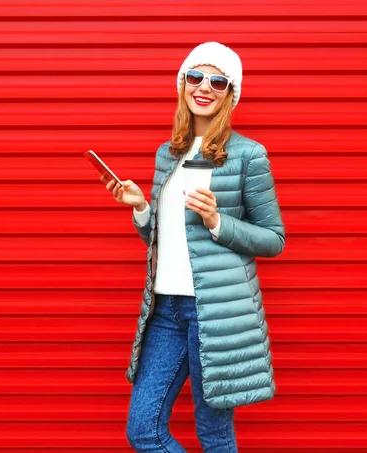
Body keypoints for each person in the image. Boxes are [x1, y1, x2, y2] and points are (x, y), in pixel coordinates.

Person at [101, 42, 285, 452]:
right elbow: (164, 242)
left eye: (218, 81)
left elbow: (274, 239)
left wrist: (218, 221)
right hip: (165, 310)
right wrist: (142, 210)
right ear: (182, 83)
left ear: (230, 93)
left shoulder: (248, 155)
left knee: (214, 434)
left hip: (215, 313)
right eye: (195, 76)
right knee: (143, 430)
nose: (204, 87)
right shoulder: (168, 154)